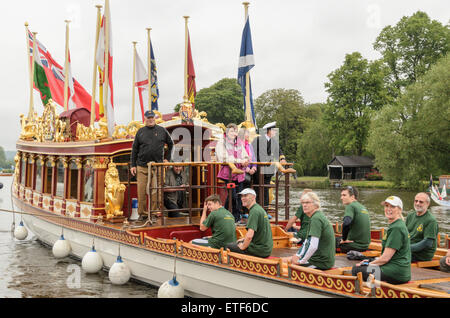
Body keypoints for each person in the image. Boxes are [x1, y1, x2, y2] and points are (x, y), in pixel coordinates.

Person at [352, 196, 411, 285]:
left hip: (396, 273)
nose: (388, 209)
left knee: (357, 270)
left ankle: (372, 290)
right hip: (397, 270)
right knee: (364, 264)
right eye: (386, 206)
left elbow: (385, 259)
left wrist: (368, 264)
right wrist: (369, 261)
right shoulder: (397, 225)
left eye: (392, 207)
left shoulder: (396, 228)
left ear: (399, 210)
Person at [130, 110, 174, 222]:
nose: (150, 119)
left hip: (157, 167)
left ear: (154, 118)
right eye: (148, 117)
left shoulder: (162, 131)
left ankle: (154, 214)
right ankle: (143, 214)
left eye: (152, 117)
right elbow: (134, 150)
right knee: (141, 191)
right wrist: (133, 165)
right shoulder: (140, 132)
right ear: (144, 118)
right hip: (142, 167)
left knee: (155, 192)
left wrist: (167, 159)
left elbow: (171, 144)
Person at [283, 192, 335, 270]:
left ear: (315, 204)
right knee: (285, 260)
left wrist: (300, 261)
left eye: (307, 202)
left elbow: (313, 245)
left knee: (285, 265)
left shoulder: (315, 219)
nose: (304, 205)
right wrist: (298, 255)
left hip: (320, 262)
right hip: (320, 260)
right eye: (303, 203)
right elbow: (307, 242)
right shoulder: (316, 216)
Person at [251, 122, 295, 207]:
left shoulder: (274, 141)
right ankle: (258, 208)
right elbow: (253, 154)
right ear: (269, 131)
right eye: (274, 130)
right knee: (258, 189)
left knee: (266, 189)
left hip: (268, 170)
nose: (275, 132)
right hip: (259, 169)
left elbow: (279, 151)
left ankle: (266, 208)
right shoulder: (258, 140)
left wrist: (282, 159)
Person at [215, 123, 249, 222]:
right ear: (227, 132)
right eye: (231, 131)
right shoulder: (222, 142)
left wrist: (246, 160)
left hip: (239, 173)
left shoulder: (239, 142)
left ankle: (230, 215)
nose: (234, 133)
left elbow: (245, 154)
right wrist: (239, 160)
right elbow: (223, 157)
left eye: (235, 131)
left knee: (238, 196)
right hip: (228, 173)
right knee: (233, 195)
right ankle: (233, 216)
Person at [226, 188, 273, 258]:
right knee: (239, 242)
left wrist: (242, 247)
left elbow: (249, 236)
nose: (242, 198)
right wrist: (243, 240)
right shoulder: (259, 209)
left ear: (253, 197)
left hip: (261, 250)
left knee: (228, 246)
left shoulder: (254, 211)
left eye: (245, 196)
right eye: (242, 196)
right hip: (266, 248)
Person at [336, 186, 371, 253]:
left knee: (327, 240)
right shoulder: (362, 207)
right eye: (341, 195)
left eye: (344, 195)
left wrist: (344, 239)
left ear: (352, 197)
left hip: (354, 246)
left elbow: (346, 223)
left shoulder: (350, 206)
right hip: (365, 246)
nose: (341, 198)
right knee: (337, 239)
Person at [406, 192, 439, 262]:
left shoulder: (431, 220)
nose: (417, 203)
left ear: (427, 204)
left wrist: (407, 248)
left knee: (393, 259)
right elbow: (404, 234)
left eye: (421, 202)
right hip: (409, 251)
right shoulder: (410, 216)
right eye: (416, 201)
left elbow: (427, 243)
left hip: (421, 256)